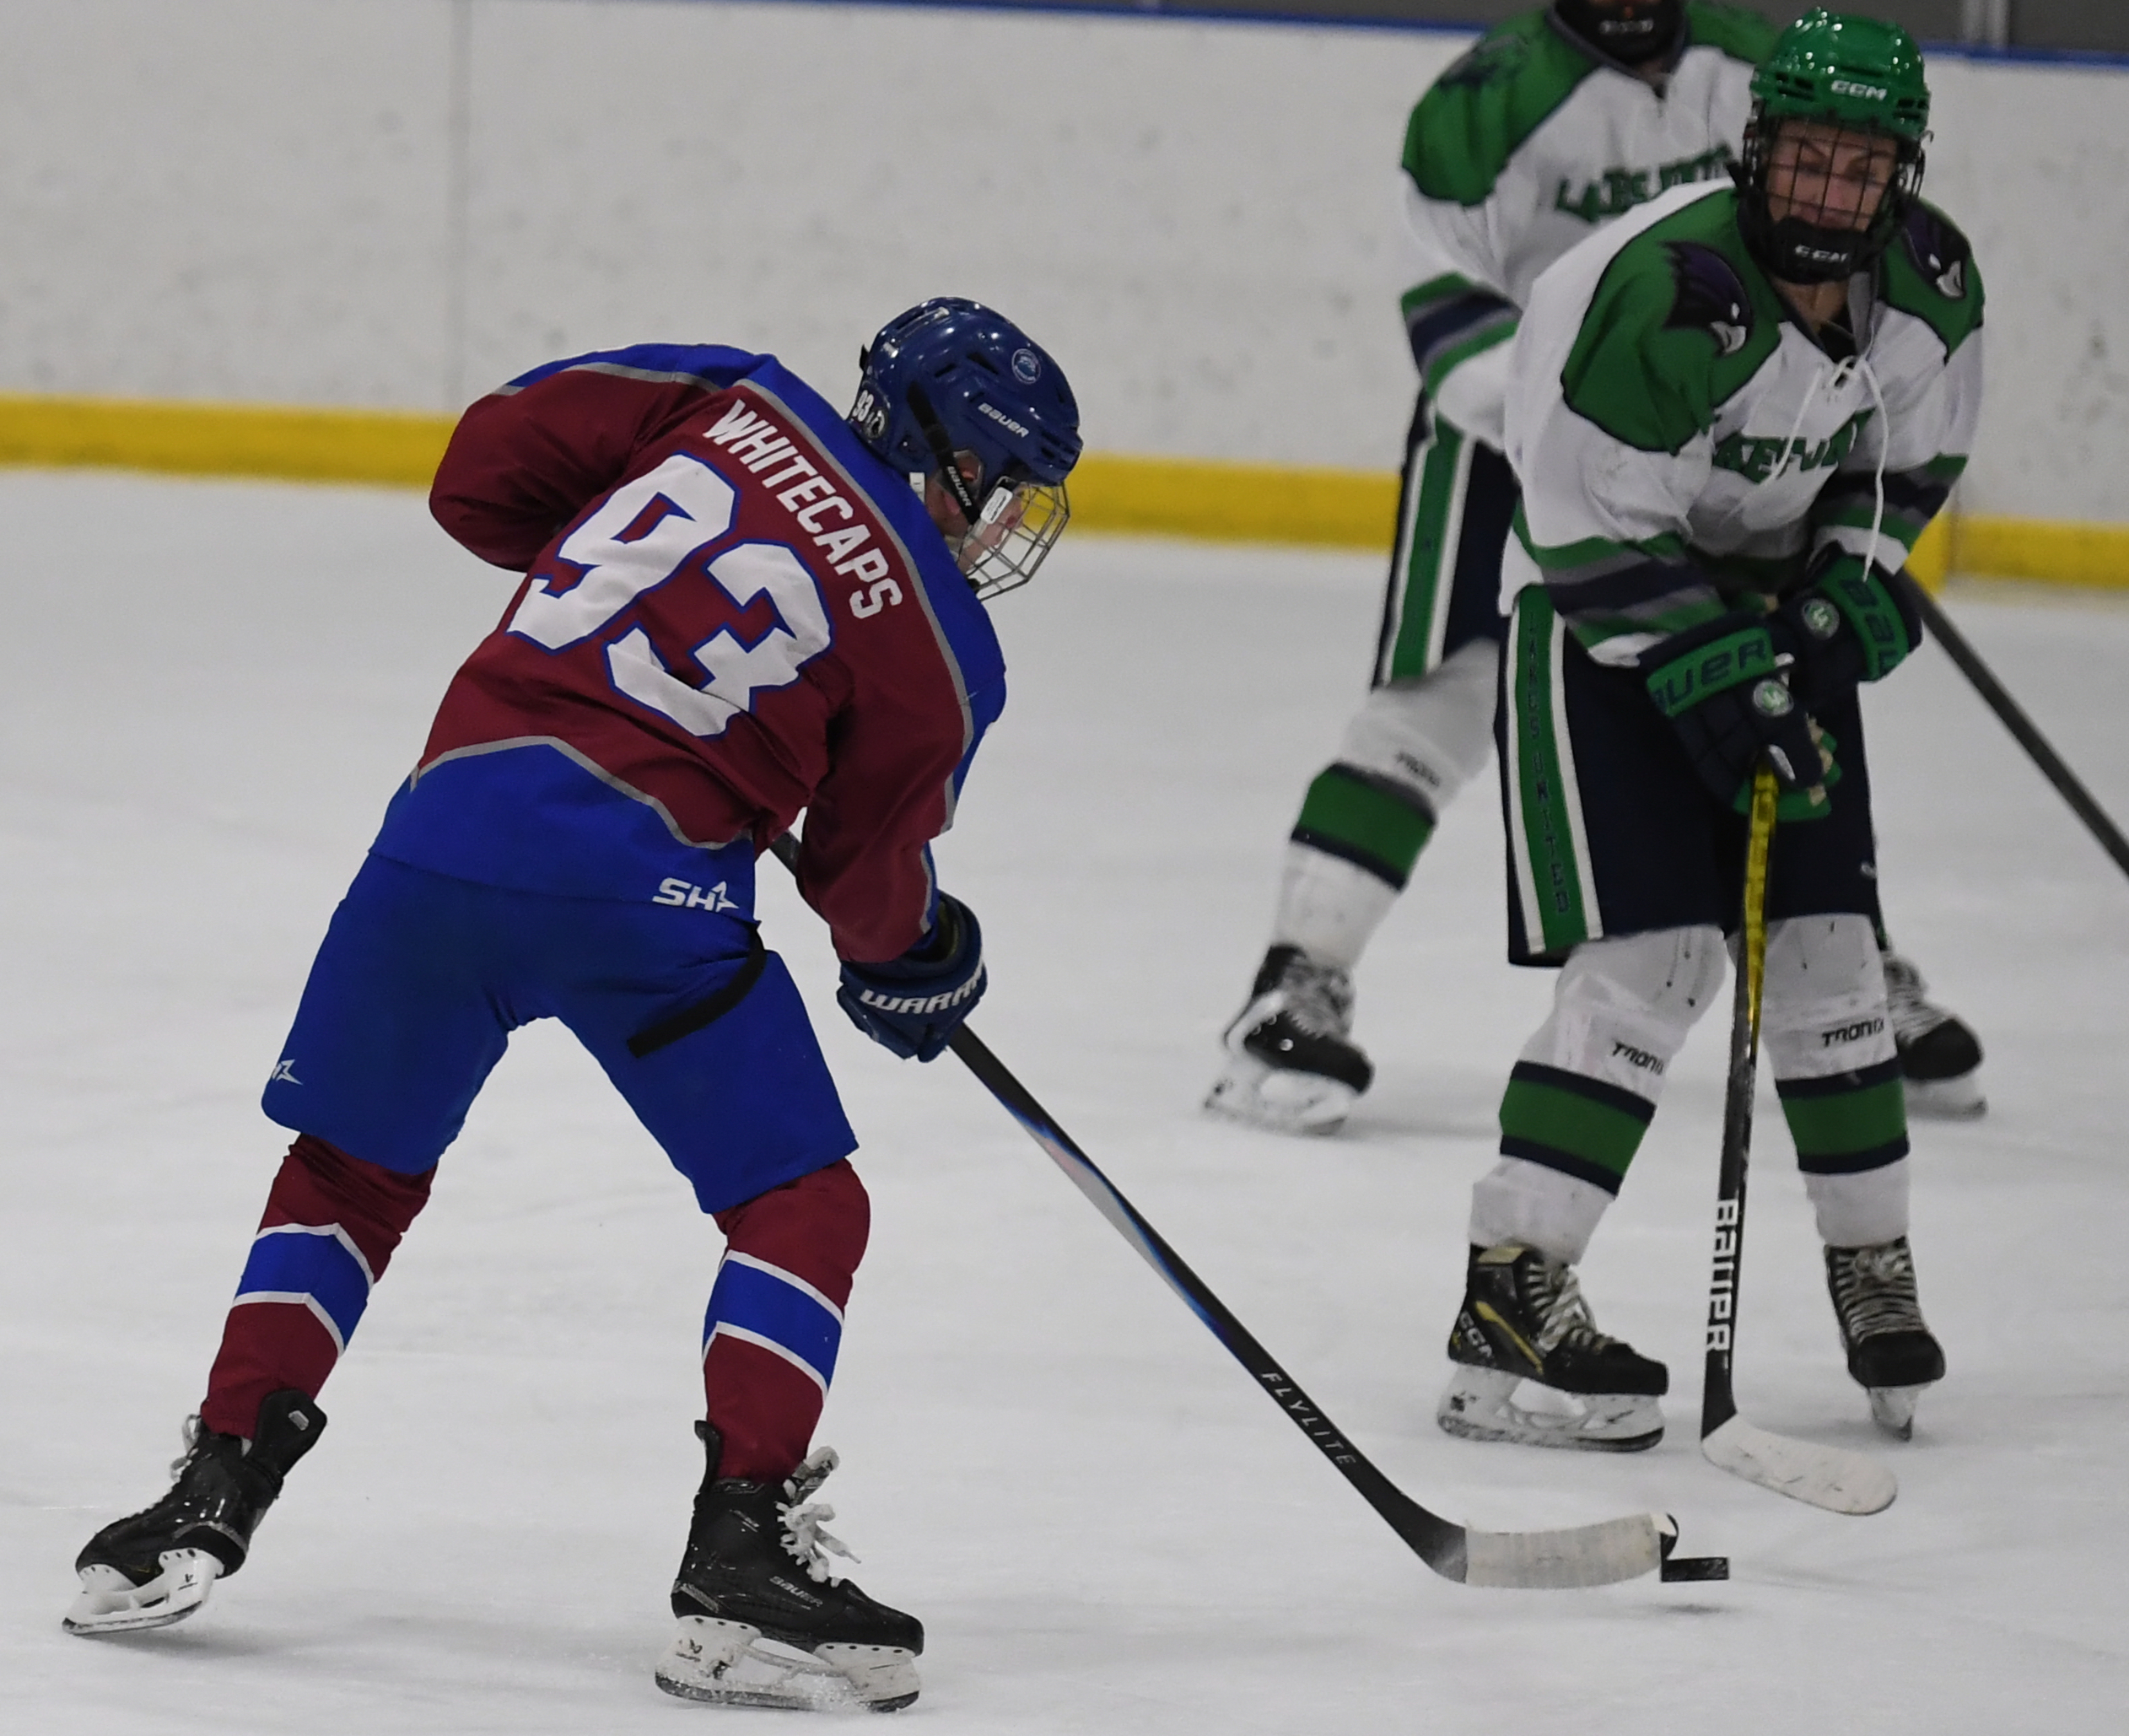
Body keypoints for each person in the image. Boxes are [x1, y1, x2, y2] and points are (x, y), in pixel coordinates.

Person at [62, 299, 1081, 1712]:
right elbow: (867, 891)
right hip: (638, 904)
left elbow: (477, 474)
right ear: (940, 455)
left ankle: (207, 1492)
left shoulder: (727, 391)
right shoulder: (943, 642)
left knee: (348, 1173)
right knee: (803, 1205)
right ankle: (741, 1555)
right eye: (1001, 485)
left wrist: (613, 610)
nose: (1003, 525)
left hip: (439, 834)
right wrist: (927, 955)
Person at [1207, 0, 1985, 1133]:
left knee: (1780, 684)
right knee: (1439, 706)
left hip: (1741, 445)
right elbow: (1444, 306)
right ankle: (1293, 979)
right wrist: (1582, 439)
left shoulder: (1769, 67)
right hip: (1509, 447)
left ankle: (1847, 969)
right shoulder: (1485, 102)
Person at [1436, 10, 1973, 1453]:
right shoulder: (1667, 292)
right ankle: (1513, 1288)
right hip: (1591, 622)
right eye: (1803, 157)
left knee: (1830, 956)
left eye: (1860, 169)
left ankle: (1873, 1265)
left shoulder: (1927, 289)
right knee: (1651, 961)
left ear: (1900, 177)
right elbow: (1584, 525)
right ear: (1759, 149)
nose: (1825, 193)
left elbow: (1903, 470)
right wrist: (1714, 665)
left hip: (1757, 613)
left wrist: (1848, 591)